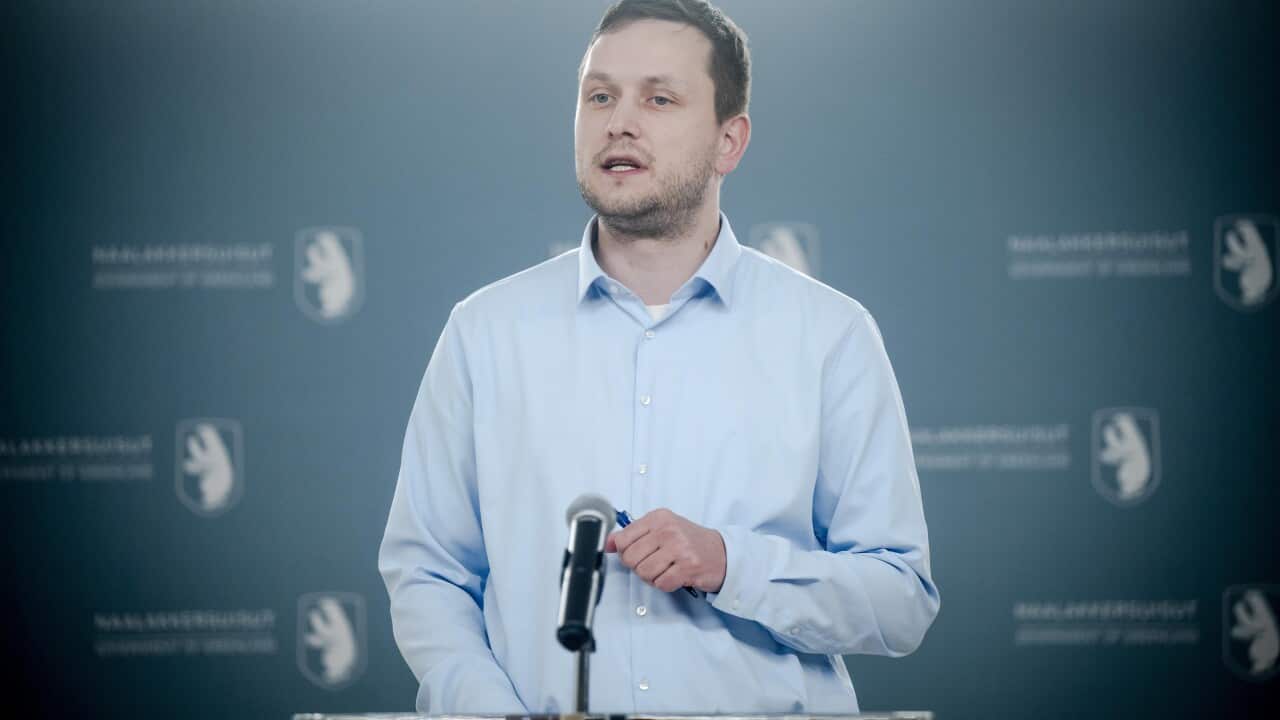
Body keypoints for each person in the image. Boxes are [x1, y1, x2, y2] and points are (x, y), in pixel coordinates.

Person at [378, 0, 939, 713]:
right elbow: (429, 576)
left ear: (729, 141)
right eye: (599, 96)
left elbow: (899, 599)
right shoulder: (484, 333)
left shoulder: (830, 335)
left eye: (659, 98)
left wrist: (733, 564)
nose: (619, 122)